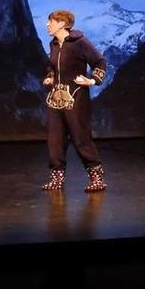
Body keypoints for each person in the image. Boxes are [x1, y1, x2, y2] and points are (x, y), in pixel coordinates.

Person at [41, 10, 108, 192]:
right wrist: (50, 76)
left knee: (81, 137)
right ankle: (57, 178)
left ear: (62, 23)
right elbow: (52, 67)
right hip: (55, 99)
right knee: (55, 139)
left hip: (76, 97)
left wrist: (92, 80)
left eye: (51, 21)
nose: (48, 25)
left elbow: (99, 62)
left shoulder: (80, 43)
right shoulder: (54, 44)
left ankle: (96, 177)